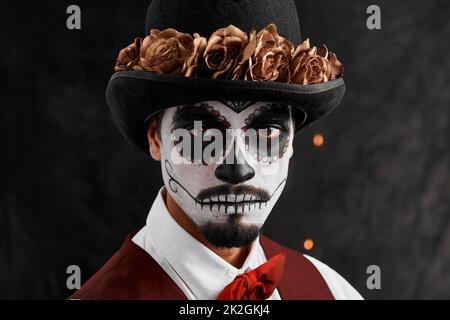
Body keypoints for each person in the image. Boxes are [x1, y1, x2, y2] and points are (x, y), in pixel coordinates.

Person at [70, 0, 362, 300]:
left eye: (268, 132)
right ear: (156, 139)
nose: (237, 168)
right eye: (201, 133)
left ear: (291, 142)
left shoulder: (332, 293)